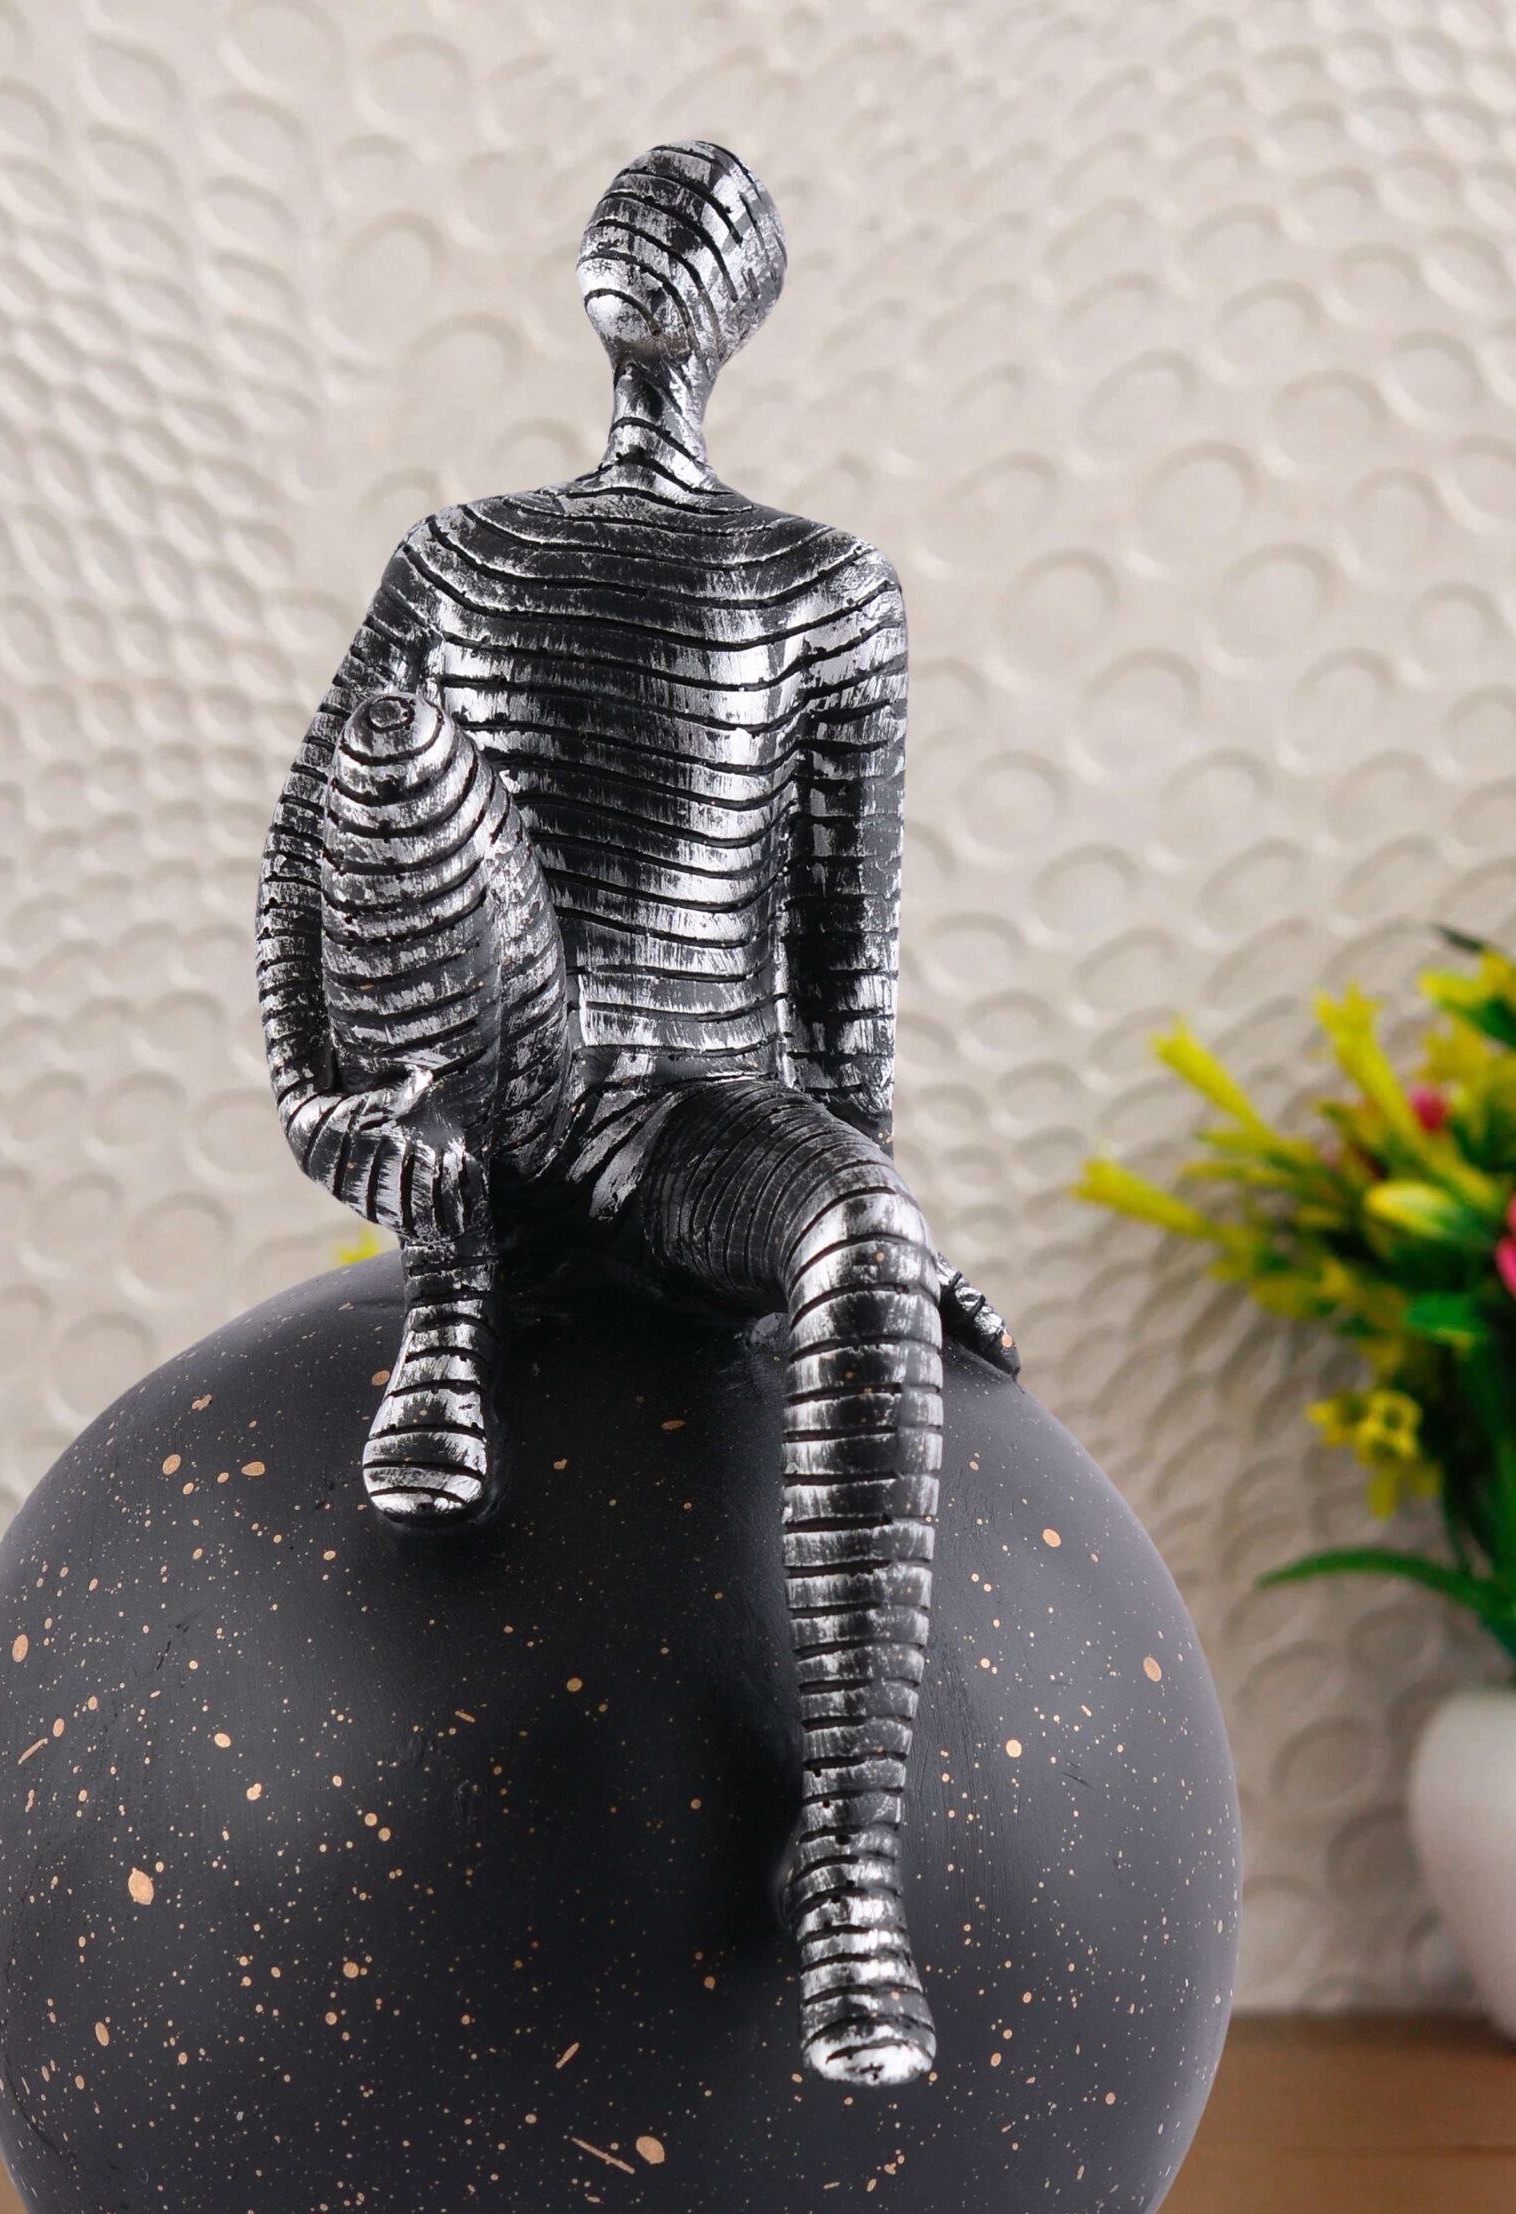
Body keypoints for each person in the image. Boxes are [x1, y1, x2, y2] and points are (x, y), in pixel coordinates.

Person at [257, 141, 1017, 2087]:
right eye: (645, 223)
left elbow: (844, 960)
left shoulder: (827, 590)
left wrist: (884, 1225)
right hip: (488, 1067)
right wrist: (325, 1109)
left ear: (745, 303)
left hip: (693, 1119)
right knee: (396, 751)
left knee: (859, 1234)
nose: (666, 255)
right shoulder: (459, 555)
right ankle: (454, 1280)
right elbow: (309, 848)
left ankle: (846, 1866)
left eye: (709, 231)